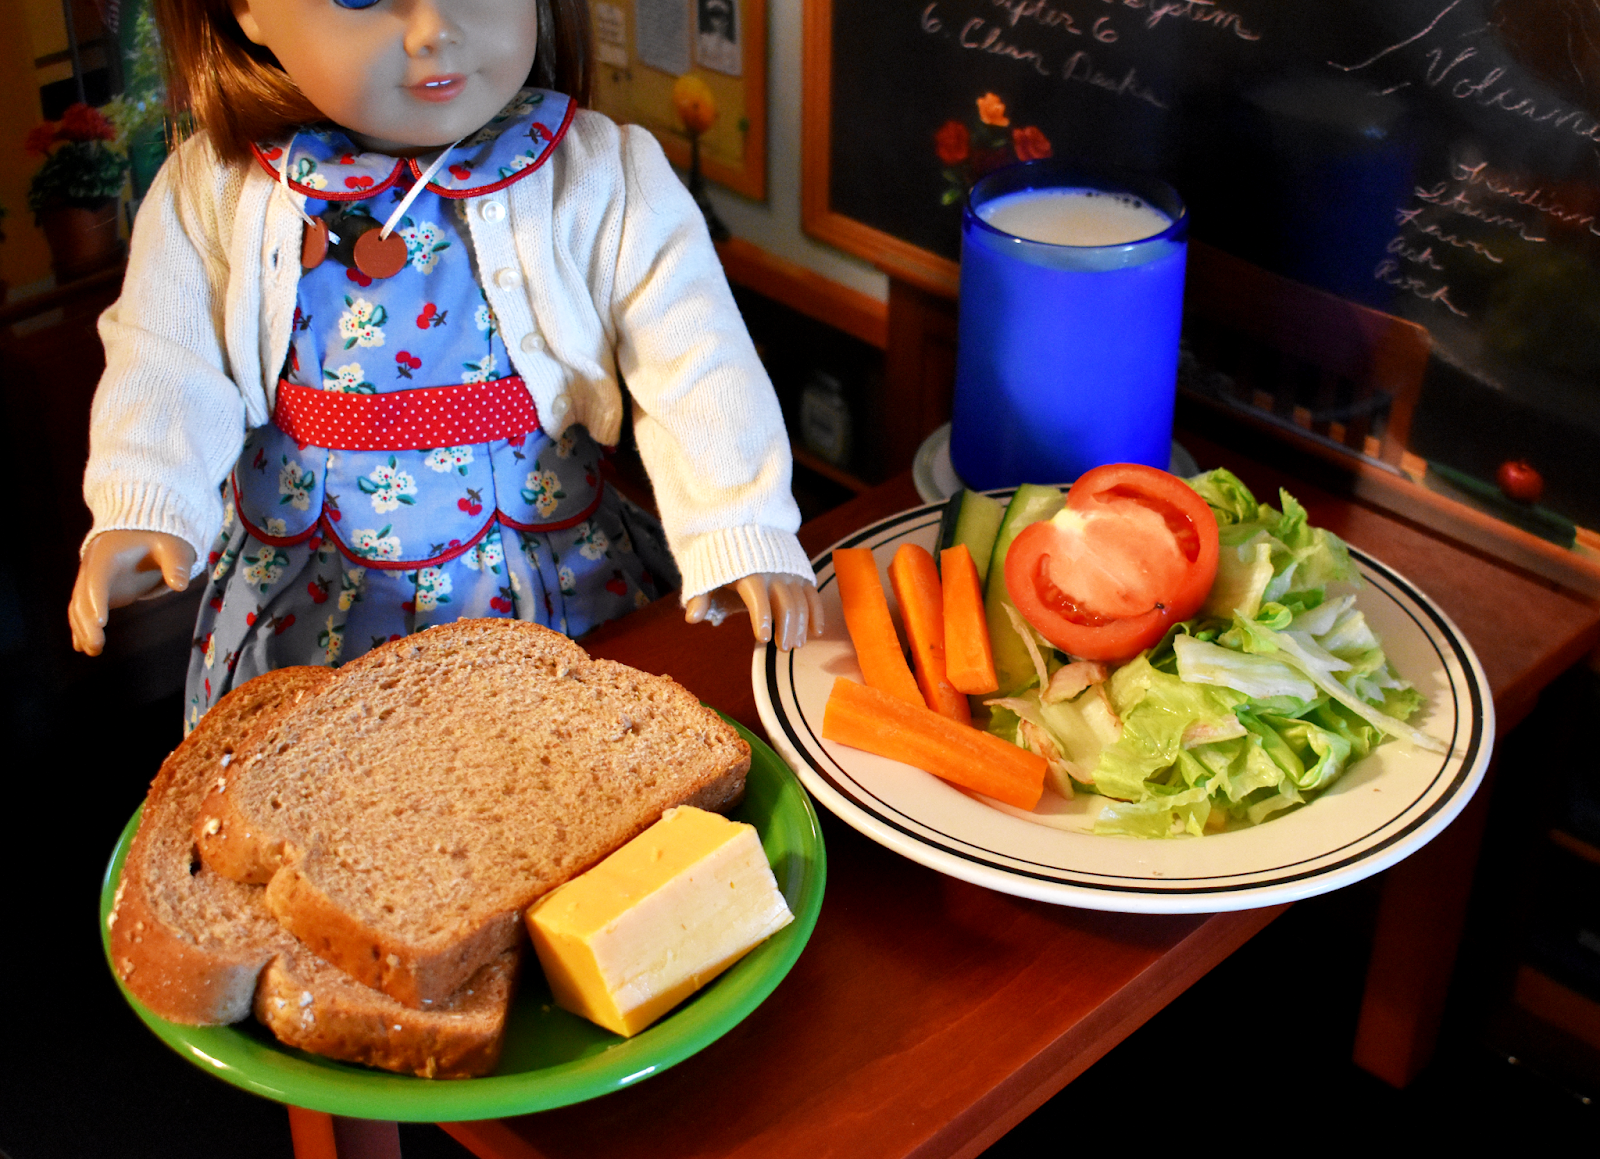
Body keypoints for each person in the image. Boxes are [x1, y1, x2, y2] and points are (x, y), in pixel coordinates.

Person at [67, 0, 822, 729]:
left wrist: (739, 519)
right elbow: (164, 357)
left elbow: (695, 351)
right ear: (247, 11)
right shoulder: (218, 191)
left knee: (559, 773)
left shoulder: (592, 173)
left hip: (548, 573)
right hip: (321, 596)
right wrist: (144, 498)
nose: (435, 29)